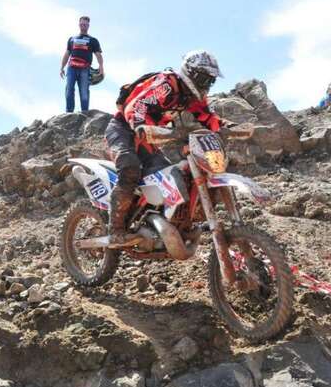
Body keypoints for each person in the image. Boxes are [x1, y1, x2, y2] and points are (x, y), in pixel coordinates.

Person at [104, 50, 228, 244]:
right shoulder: (166, 85)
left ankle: (156, 224)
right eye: (205, 79)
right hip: (123, 130)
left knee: (167, 178)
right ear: (191, 73)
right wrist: (140, 126)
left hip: (148, 137)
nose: (207, 84)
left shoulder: (190, 97)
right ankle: (115, 229)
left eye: (211, 81)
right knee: (130, 168)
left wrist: (227, 127)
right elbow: (137, 107)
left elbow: (208, 116)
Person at [60, 16, 103, 113]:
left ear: (88, 26)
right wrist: (62, 67)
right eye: (82, 24)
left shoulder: (93, 40)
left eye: (85, 24)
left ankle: (85, 113)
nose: (83, 26)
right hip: (71, 68)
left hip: (85, 69)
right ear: (79, 24)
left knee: (84, 91)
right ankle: (69, 112)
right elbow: (67, 53)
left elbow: (98, 54)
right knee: (69, 89)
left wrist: (101, 66)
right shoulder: (72, 39)